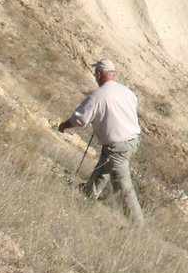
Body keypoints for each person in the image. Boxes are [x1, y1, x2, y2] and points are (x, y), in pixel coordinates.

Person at [58, 59, 144, 223]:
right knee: (105, 162)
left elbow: (80, 120)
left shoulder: (97, 96)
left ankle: (137, 224)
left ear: (98, 74)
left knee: (122, 184)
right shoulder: (126, 91)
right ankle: (90, 192)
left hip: (117, 145)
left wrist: (63, 126)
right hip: (133, 140)